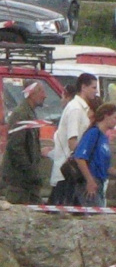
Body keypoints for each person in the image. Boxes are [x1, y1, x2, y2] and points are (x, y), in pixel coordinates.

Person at [46, 73, 98, 205]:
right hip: (68, 171)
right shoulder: (75, 109)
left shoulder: (80, 108)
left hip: (70, 171)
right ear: (83, 87)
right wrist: (83, 163)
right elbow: (72, 142)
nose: (96, 91)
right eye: (93, 87)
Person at [2, 80, 47, 204]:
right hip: (19, 182)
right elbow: (15, 147)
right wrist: (30, 172)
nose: (45, 95)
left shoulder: (29, 113)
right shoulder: (21, 114)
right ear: (31, 93)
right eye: (41, 91)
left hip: (27, 183)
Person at [73, 102, 116, 207]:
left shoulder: (104, 138)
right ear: (106, 116)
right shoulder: (93, 133)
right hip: (90, 182)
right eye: (114, 117)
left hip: (100, 183)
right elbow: (79, 157)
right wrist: (90, 180)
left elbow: (106, 167)